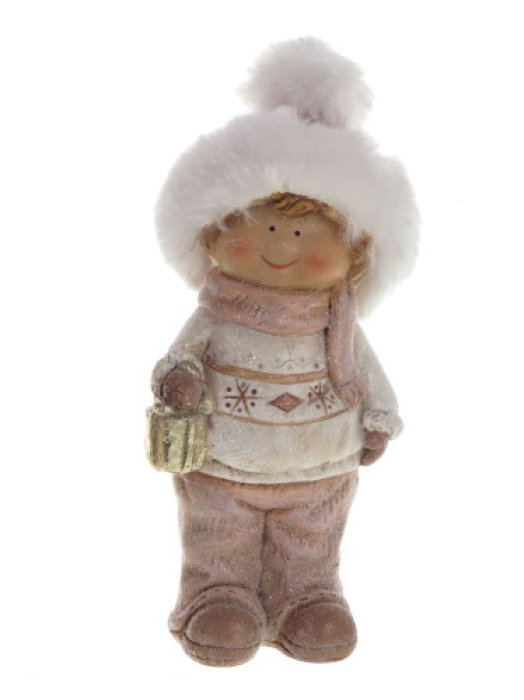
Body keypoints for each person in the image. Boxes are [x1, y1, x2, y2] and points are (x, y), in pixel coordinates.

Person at [149, 37, 419, 666]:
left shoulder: (339, 322)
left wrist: (379, 418)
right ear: (215, 234)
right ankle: (219, 596)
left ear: (356, 252)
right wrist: (180, 382)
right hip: (224, 466)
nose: (282, 246)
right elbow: (176, 362)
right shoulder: (216, 316)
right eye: (265, 226)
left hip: (320, 469)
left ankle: (307, 598)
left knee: (312, 540)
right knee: (219, 536)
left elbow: (367, 374)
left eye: (305, 233)